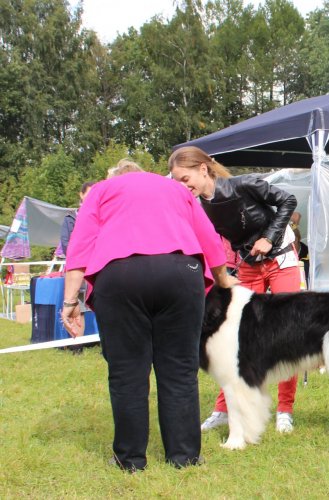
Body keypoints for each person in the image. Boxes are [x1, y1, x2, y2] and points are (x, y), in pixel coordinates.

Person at [60, 166, 237, 472]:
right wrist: (222, 279)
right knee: (180, 370)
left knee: (127, 372)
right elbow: (208, 237)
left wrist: (70, 301)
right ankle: (185, 457)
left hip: (120, 274)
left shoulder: (101, 190)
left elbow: (81, 245)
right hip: (181, 273)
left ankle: (130, 460)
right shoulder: (177, 190)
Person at [168, 146, 302, 434]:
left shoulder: (245, 184)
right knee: (236, 336)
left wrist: (269, 237)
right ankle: (223, 408)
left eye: (184, 178)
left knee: (285, 332)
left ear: (203, 169)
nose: (182, 185)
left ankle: (285, 409)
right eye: (176, 180)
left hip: (281, 258)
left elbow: (289, 201)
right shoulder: (198, 207)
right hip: (249, 264)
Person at [59, 181, 96, 340]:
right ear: (81, 195)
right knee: (77, 307)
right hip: (78, 268)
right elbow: (67, 244)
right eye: (88, 195)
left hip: (96, 267)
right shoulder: (70, 219)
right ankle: (77, 343)